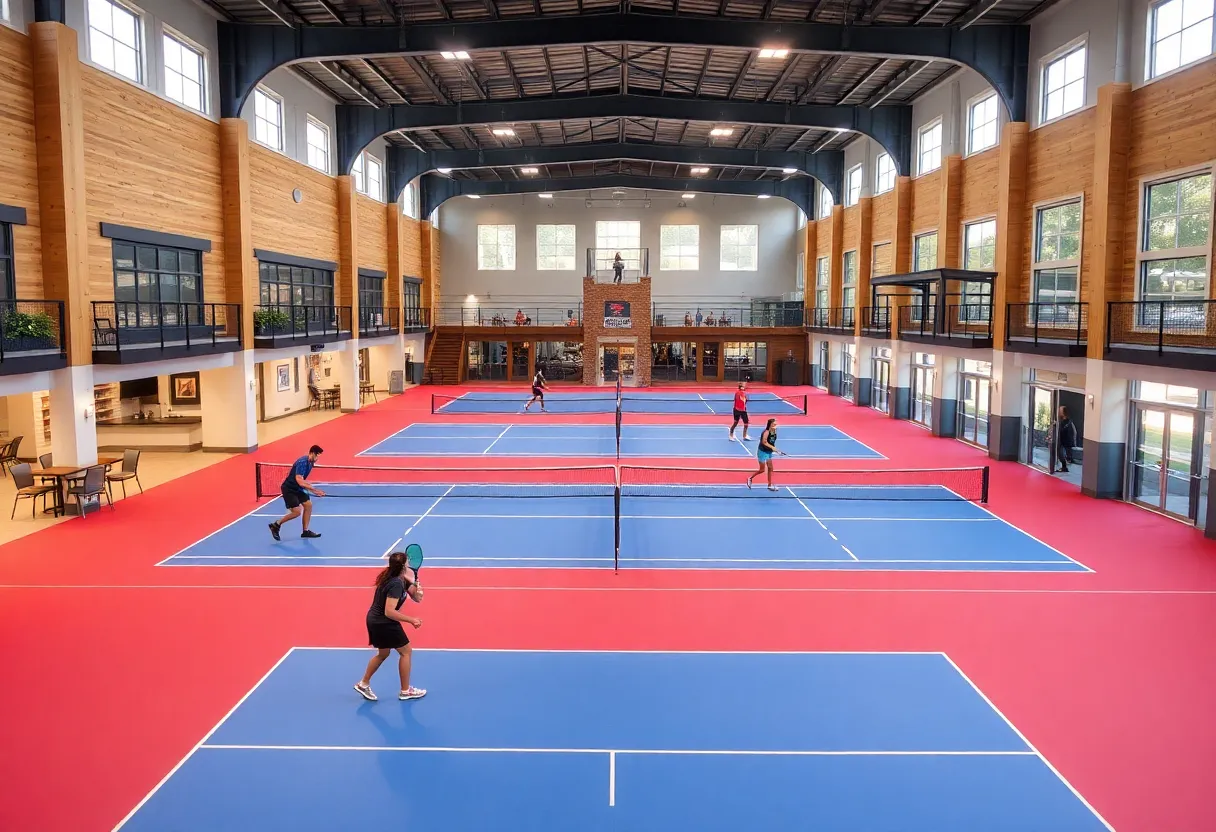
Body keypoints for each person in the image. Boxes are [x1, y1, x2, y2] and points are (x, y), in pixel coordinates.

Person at [355, 552, 426, 702]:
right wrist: (411, 620)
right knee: (406, 651)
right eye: (407, 562)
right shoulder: (395, 584)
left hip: (375, 620)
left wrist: (418, 588)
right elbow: (389, 611)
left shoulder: (398, 578)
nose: (409, 564)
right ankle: (405, 691)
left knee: (383, 653)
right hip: (383, 621)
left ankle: (363, 684)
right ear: (403, 566)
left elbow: (417, 598)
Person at [269, 445, 325, 540]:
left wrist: (310, 489)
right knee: (297, 512)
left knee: (308, 505)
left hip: (298, 488)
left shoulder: (311, 463)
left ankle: (305, 531)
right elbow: (299, 480)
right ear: (311, 453)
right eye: (316, 455)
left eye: (318, 456)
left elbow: (301, 481)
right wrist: (314, 490)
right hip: (289, 489)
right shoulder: (302, 462)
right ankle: (276, 525)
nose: (317, 458)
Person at [747, 418, 788, 492]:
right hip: (762, 452)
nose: (776, 425)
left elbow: (772, 442)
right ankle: (750, 478)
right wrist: (773, 448)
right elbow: (764, 442)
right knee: (762, 470)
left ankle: (769, 485)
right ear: (770, 425)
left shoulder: (774, 431)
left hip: (768, 451)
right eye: (775, 424)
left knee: (770, 468)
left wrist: (777, 451)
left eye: (776, 424)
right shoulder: (766, 432)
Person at [1053, 405, 1078, 473]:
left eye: (1060, 411)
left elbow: (1071, 432)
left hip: (1065, 441)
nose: (1058, 412)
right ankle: (1065, 464)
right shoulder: (1066, 422)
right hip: (1065, 441)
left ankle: (1065, 466)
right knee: (1062, 454)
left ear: (1063, 413)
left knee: (1061, 454)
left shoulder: (1065, 422)